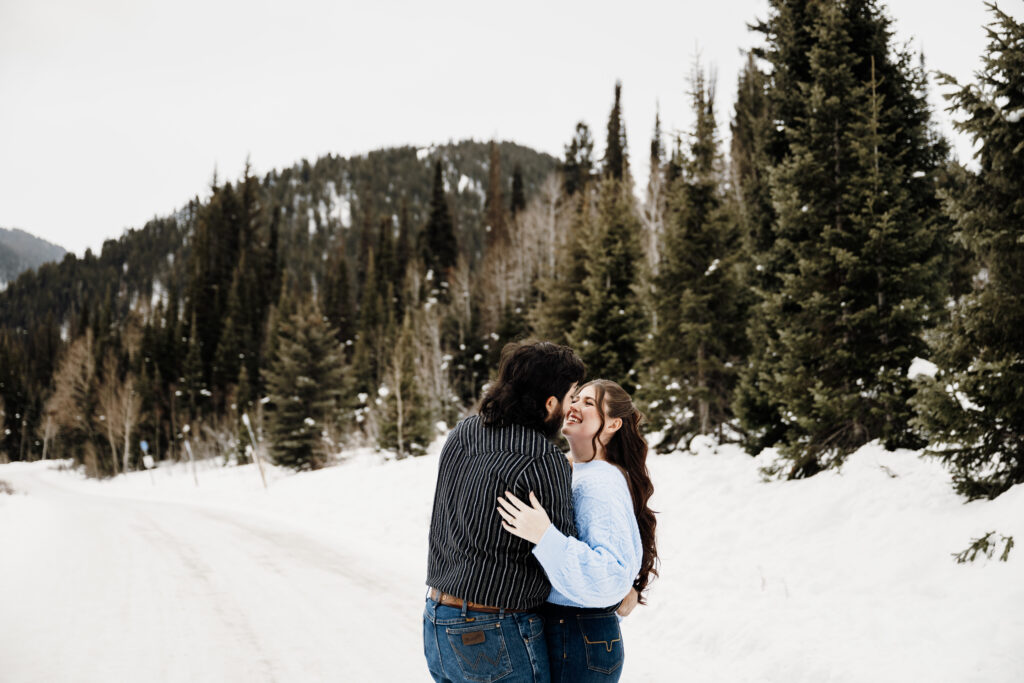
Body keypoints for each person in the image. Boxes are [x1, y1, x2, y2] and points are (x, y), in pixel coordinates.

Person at [423, 340, 586, 683]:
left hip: (437, 618)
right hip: (493, 630)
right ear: (550, 403)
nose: (573, 408)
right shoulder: (542, 457)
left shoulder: (464, 431)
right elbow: (565, 561)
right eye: (572, 397)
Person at [497, 379, 658, 682]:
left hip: (579, 633)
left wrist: (545, 536)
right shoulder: (577, 470)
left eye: (589, 403)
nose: (574, 407)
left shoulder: (601, 482)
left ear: (612, 424)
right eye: (576, 398)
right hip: (572, 630)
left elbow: (609, 571)